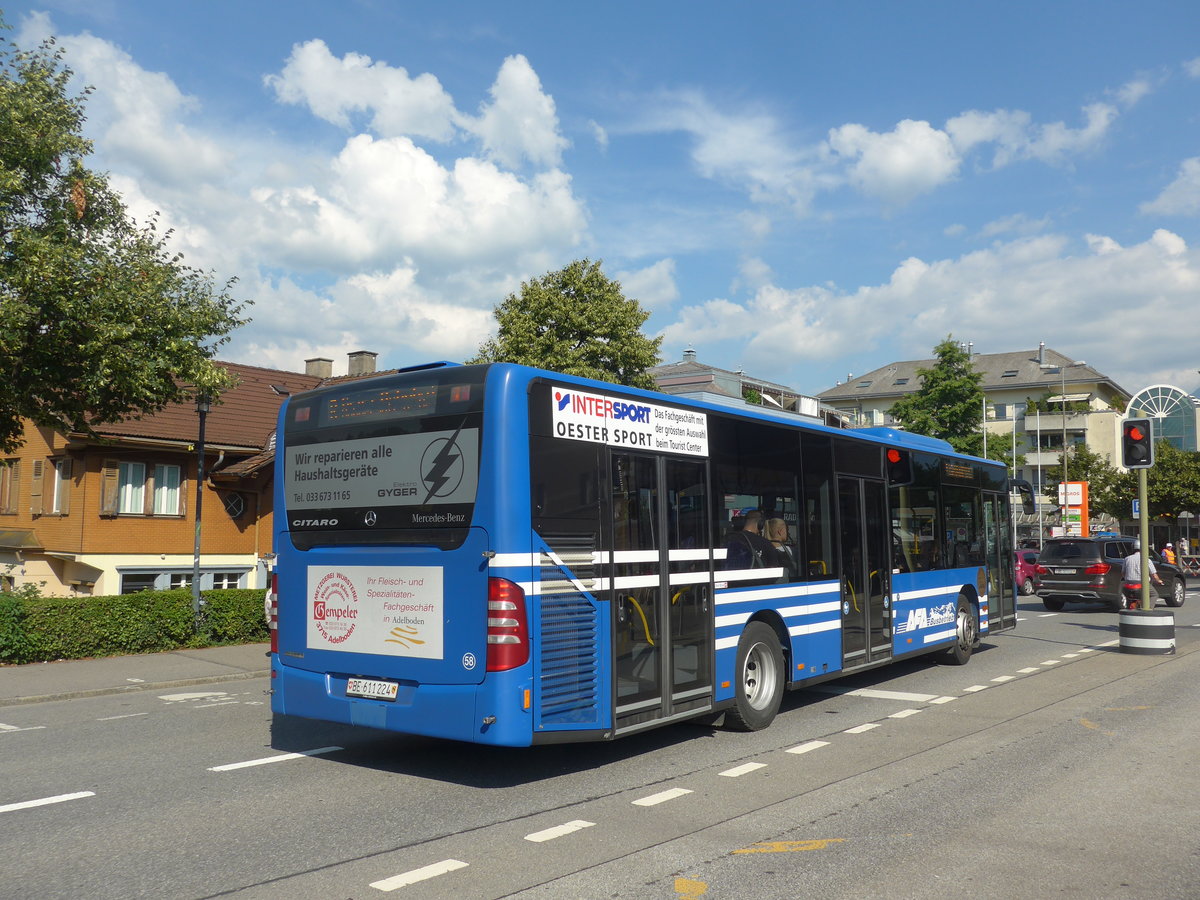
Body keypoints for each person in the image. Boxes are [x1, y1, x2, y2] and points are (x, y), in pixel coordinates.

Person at [1122, 540, 1162, 607]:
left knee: (1128, 596)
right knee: (1154, 594)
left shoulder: (1127, 559)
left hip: (1128, 583)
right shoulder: (1146, 559)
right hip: (1142, 583)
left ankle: (1130, 608)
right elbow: (1154, 574)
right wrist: (1159, 580)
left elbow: (1123, 572)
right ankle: (1149, 609)